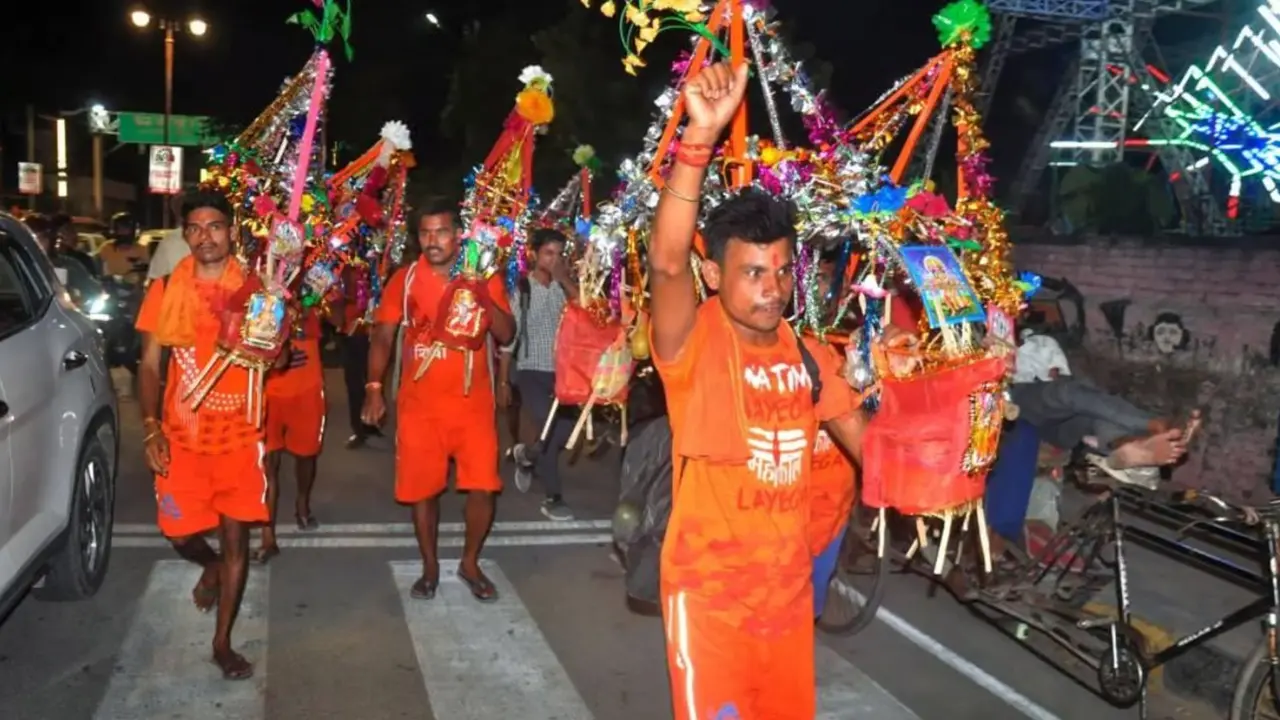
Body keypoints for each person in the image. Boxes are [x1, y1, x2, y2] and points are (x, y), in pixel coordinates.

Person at [646, 61, 869, 719]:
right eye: (752, 273)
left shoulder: (809, 355)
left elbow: (870, 447)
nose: (773, 288)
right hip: (708, 600)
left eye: (781, 271)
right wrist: (698, 138)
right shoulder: (692, 342)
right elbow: (666, 261)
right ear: (714, 275)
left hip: (788, 599)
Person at [135, 190, 285, 680]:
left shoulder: (257, 289)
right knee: (177, 532)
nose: (206, 236)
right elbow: (150, 366)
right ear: (185, 235)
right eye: (195, 228)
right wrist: (151, 427)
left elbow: (279, 357)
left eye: (215, 226)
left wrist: (274, 333)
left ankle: (222, 643)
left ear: (231, 232)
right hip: (182, 435)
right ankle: (212, 567)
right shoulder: (164, 289)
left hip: (240, 435)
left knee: (236, 538)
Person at [361, 197, 515, 602]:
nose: (433, 241)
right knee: (422, 491)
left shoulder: (483, 275)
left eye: (442, 232)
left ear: (458, 235)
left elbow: (506, 333)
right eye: (425, 233)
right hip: (420, 408)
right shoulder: (406, 279)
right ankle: (429, 567)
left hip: (472, 406)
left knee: (483, 487)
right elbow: (383, 335)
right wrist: (374, 388)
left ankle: (470, 563)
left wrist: (481, 294)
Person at [498, 227, 578, 521]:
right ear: (533, 254)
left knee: (567, 431)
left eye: (559, 254)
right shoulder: (522, 289)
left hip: (563, 372)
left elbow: (588, 310)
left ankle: (528, 454)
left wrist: (565, 280)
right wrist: (503, 381)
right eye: (548, 253)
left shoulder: (562, 288)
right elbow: (509, 340)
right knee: (549, 428)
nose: (554, 260)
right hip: (531, 370)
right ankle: (553, 497)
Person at [254, 305, 327, 563]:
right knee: (267, 465)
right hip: (267, 389)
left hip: (307, 388)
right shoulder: (257, 286)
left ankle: (302, 503)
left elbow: (341, 318)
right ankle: (268, 536)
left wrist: (317, 302)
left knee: (306, 456)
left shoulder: (315, 286)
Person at [333, 265, 383, 448]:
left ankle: (370, 423)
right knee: (356, 384)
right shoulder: (347, 268)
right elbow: (339, 297)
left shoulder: (374, 266)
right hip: (354, 331)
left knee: (371, 379)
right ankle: (360, 428)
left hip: (370, 331)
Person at [98, 211, 150, 280]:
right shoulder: (107, 248)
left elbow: (145, 273)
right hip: (111, 284)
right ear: (115, 230)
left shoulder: (141, 249)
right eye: (120, 229)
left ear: (133, 230)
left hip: (132, 285)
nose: (123, 232)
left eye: (126, 229)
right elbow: (99, 271)